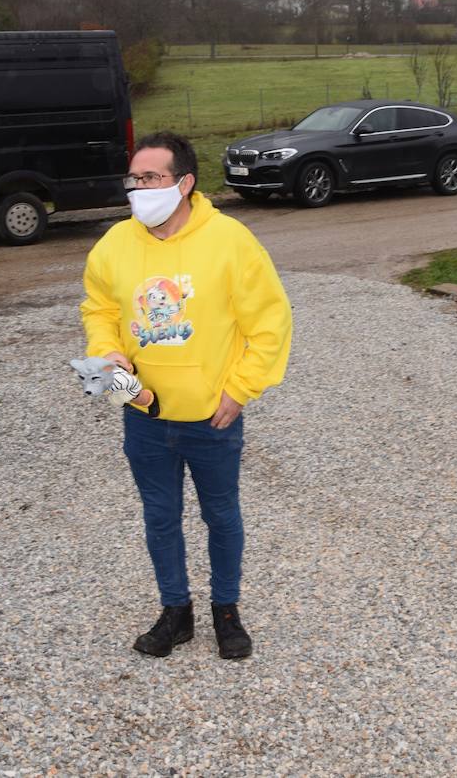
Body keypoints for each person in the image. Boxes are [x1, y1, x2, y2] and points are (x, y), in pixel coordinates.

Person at [81, 131, 293, 660]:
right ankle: (175, 612)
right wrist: (107, 352)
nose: (139, 188)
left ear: (185, 183)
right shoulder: (115, 243)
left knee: (221, 516)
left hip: (211, 418)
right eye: (134, 178)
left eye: (151, 178)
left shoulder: (230, 240)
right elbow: (99, 308)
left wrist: (241, 390)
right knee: (159, 516)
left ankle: (227, 611)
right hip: (143, 413)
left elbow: (271, 322)